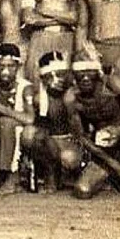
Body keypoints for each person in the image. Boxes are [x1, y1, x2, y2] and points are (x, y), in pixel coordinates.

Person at [64, 49, 120, 203]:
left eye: (89, 71)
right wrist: (115, 165)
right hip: (105, 148)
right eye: (80, 73)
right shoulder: (71, 98)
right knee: (82, 190)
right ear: (73, 75)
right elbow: (82, 137)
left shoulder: (112, 83)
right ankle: (115, 175)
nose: (85, 77)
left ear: (97, 72)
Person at [24, 51, 83, 192]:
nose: (58, 79)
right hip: (51, 141)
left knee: (68, 158)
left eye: (61, 74)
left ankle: (69, 174)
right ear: (43, 79)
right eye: (50, 76)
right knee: (30, 134)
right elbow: (41, 129)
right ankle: (49, 171)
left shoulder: (74, 94)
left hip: (72, 141)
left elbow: (80, 130)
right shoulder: (40, 98)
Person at [0, 43, 34, 194]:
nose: (5, 71)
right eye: (1, 66)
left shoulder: (26, 87)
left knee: (6, 122)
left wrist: (4, 110)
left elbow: (30, 119)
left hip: (21, 136)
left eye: (11, 66)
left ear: (18, 66)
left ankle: (11, 176)